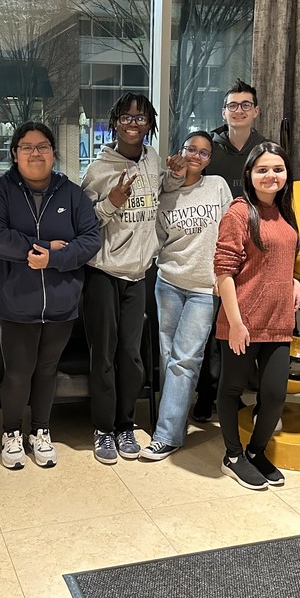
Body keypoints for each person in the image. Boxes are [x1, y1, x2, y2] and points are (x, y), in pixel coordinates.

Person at [0, 122, 101, 469]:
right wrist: (45, 248)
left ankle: (41, 431)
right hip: (17, 301)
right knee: (18, 372)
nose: (36, 153)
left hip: (62, 302)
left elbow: (91, 238)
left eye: (43, 146)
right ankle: (11, 433)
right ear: (15, 153)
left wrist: (57, 259)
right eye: (27, 147)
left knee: (48, 370)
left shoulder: (70, 192)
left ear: (53, 152)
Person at [80, 92, 184, 464]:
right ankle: (103, 429)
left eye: (141, 118)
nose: (133, 124)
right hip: (103, 274)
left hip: (139, 274)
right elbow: (84, 225)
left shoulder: (153, 159)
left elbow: (159, 194)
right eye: (126, 117)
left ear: (149, 123)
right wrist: (111, 202)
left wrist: (173, 175)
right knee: (104, 356)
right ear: (115, 122)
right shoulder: (97, 170)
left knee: (132, 355)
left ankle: (126, 424)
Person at [214, 141, 300, 490]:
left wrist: (292, 278)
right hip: (243, 322)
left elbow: (278, 256)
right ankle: (233, 457)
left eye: (277, 169)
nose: (270, 175)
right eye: (262, 169)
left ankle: (256, 451)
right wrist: (235, 323)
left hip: (279, 321)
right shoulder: (238, 213)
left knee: (276, 395)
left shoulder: (285, 211)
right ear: (249, 174)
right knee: (232, 389)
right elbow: (223, 273)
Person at [144, 131, 231, 461]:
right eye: (191, 150)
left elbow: (228, 233)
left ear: (210, 159)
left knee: (186, 358)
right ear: (179, 152)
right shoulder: (165, 191)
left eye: (204, 153)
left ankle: (166, 435)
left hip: (203, 288)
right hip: (168, 281)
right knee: (169, 356)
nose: (196, 156)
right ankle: (172, 423)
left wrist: (221, 280)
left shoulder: (218, 186)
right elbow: (156, 235)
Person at [192, 79, 269, 422]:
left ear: (255, 111)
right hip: (213, 249)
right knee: (211, 329)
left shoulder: (265, 149)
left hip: (254, 249)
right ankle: (207, 396)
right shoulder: (210, 147)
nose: (238, 111)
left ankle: (233, 393)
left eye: (245, 105)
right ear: (224, 112)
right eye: (232, 105)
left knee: (243, 324)